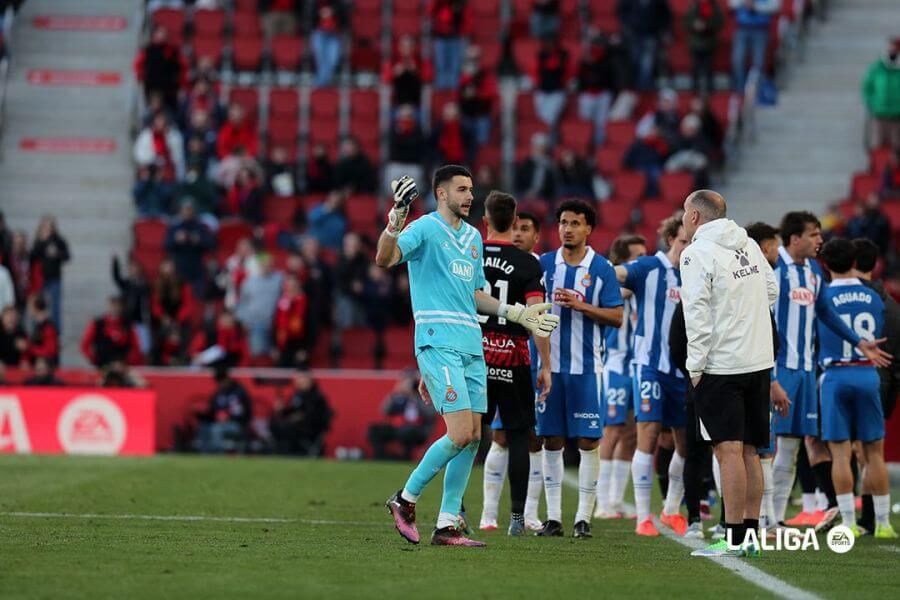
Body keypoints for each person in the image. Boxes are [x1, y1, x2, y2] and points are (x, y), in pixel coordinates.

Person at [377, 166, 559, 547]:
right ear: (441, 194)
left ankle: (447, 524)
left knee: (474, 436)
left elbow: (477, 293)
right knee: (459, 432)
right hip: (437, 338)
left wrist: (516, 313)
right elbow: (385, 258)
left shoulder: (474, 238)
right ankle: (405, 498)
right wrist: (395, 219)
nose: (469, 196)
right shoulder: (425, 228)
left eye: (471, 189)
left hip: (471, 342)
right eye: (461, 189)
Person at [769, 212, 890, 533]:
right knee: (767, 448)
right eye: (813, 234)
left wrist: (859, 342)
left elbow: (827, 312)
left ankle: (776, 519)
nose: (820, 240)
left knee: (793, 448)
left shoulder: (811, 271)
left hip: (807, 371)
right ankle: (750, 519)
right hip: (777, 369)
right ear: (795, 239)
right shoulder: (772, 268)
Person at [677, 190, 779, 557]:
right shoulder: (748, 244)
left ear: (693, 217)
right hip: (758, 360)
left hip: (722, 364)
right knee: (751, 450)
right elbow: (771, 288)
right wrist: (745, 316)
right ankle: (750, 535)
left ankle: (732, 537)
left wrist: (695, 366)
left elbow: (697, 315)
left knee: (728, 452)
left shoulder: (696, 254)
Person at [535, 200, 623, 538]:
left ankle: (583, 518)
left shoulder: (601, 268)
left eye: (575, 223)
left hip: (588, 368)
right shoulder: (544, 265)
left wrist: (581, 305)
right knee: (551, 439)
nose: (567, 229)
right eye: (563, 222)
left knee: (588, 441)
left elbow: (617, 316)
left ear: (588, 229)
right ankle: (554, 517)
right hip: (550, 369)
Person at [476, 192, 553, 536]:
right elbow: (537, 317)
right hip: (514, 354)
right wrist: (546, 364)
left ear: (486, 220)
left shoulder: (470, 254)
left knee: (467, 433)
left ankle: (458, 511)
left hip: (474, 353)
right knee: (520, 435)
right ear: (514, 219)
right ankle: (518, 518)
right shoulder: (528, 263)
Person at [613, 216, 689, 537]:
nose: (689, 248)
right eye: (685, 241)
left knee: (686, 445)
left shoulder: (698, 274)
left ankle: (671, 509)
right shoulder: (648, 267)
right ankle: (644, 517)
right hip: (649, 366)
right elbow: (618, 273)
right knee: (648, 433)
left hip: (685, 371)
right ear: (671, 237)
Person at [816, 239, 897, 539]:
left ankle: (848, 521)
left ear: (825, 263)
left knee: (840, 453)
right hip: (867, 373)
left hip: (835, 375)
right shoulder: (873, 297)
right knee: (874, 453)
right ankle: (884, 524)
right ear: (855, 261)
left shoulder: (820, 296)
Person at [595, 235, 645, 520]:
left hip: (636, 366)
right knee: (612, 431)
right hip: (614, 365)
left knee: (631, 435)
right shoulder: (615, 283)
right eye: (636, 256)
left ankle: (615, 500)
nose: (642, 261)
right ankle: (601, 501)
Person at [852, 238, 900, 534]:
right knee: (871, 451)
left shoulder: (843, 297)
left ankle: (860, 516)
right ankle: (874, 518)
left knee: (855, 452)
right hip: (883, 383)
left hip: (854, 378)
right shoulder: (891, 304)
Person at [368, 373, 435, 460]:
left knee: (408, 432)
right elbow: (384, 411)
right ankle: (380, 457)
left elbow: (430, 414)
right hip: (398, 427)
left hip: (417, 430)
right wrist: (395, 393)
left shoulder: (424, 397)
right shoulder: (398, 397)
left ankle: (405, 457)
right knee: (375, 430)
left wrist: (413, 396)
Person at [270, 370, 333, 455]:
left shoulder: (317, 396)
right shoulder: (298, 394)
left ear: (309, 380)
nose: (298, 382)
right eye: (297, 379)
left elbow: (313, 415)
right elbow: (293, 410)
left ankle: (290, 452)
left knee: (287, 427)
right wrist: (282, 410)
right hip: (297, 425)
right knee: (275, 424)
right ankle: (279, 451)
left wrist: (297, 417)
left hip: (311, 428)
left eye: (301, 379)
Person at [616, 0, 672, 91]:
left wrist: (662, 28)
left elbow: (665, 14)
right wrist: (627, 25)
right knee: (635, 60)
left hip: (651, 34)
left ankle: (643, 86)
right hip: (634, 34)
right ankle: (634, 85)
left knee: (647, 62)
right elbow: (621, 11)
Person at [235, 253, 283, 358]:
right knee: (259, 353)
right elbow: (242, 302)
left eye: (268, 264)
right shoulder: (249, 282)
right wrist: (244, 320)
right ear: (258, 265)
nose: (266, 267)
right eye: (263, 264)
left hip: (276, 324)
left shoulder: (279, 279)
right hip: (256, 323)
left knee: (277, 355)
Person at [164, 200, 216, 296]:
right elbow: (166, 245)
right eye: (185, 210)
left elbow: (212, 244)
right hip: (179, 268)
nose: (187, 212)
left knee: (199, 295)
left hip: (197, 268)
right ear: (180, 211)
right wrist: (176, 239)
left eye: (190, 210)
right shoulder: (175, 227)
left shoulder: (200, 227)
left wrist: (199, 240)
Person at [196, 367, 252, 453]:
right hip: (219, 423)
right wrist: (200, 414)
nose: (220, 384)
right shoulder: (218, 393)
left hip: (237, 424)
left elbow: (244, 412)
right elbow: (212, 412)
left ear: (226, 379)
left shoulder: (239, 391)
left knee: (216, 429)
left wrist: (228, 416)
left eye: (221, 381)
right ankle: (205, 455)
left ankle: (218, 455)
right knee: (203, 427)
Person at [729, 0, 779, 94]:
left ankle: (757, 90)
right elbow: (732, 4)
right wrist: (744, 3)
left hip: (760, 29)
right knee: (737, 60)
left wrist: (755, 6)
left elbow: (775, 6)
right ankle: (740, 91)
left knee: (758, 62)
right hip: (742, 28)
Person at [30, 216, 70, 333]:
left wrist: (57, 253)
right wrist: (43, 241)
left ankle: (55, 333)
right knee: (38, 306)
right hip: (40, 279)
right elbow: (33, 256)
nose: (49, 228)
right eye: (46, 226)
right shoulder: (38, 240)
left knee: (55, 308)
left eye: (51, 226)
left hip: (54, 278)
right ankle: (37, 332)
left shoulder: (59, 240)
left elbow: (67, 256)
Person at [133, 25, 186, 112]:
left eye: (164, 34)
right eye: (160, 33)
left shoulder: (172, 50)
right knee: (152, 110)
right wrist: (141, 77)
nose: (162, 36)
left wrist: (181, 84)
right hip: (151, 87)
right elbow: (137, 64)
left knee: (169, 111)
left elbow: (182, 66)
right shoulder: (147, 50)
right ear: (155, 35)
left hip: (169, 89)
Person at [576, 32, 617, 146]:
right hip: (587, 95)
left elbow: (610, 77)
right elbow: (580, 79)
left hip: (603, 94)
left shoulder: (607, 58)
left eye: (599, 44)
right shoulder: (584, 60)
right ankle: (586, 144)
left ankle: (599, 144)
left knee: (601, 123)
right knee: (585, 122)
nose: (597, 46)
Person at [80, 297, 141, 368]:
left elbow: (136, 347)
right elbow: (84, 345)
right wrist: (94, 359)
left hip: (122, 366)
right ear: (108, 306)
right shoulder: (97, 324)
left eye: (117, 306)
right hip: (102, 365)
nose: (115, 308)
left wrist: (128, 362)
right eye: (112, 305)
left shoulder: (128, 325)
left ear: (121, 307)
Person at [862, 38, 900, 150]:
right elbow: (867, 87)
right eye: (891, 48)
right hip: (879, 114)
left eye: (895, 49)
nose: (892, 51)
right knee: (877, 146)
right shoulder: (877, 68)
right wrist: (871, 102)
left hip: (897, 116)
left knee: (896, 147)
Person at [683, 0, 723, 94]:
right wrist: (694, 25)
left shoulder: (714, 6)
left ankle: (710, 91)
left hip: (709, 43)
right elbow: (685, 22)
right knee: (695, 67)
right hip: (695, 43)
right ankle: (694, 90)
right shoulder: (693, 6)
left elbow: (719, 22)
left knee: (708, 68)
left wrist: (706, 25)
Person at [134, 112, 185, 182]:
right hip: (150, 170)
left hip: (169, 173)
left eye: (162, 123)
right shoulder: (146, 136)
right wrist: (153, 162)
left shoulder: (174, 137)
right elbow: (139, 155)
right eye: (157, 123)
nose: (160, 126)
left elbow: (177, 158)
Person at [532, 38, 572, 128]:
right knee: (541, 118)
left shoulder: (563, 55)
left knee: (551, 118)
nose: (549, 45)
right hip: (543, 91)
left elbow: (569, 72)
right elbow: (534, 71)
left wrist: (566, 82)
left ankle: (551, 138)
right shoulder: (541, 55)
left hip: (557, 92)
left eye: (551, 42)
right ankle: (544, 138)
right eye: (547, 43)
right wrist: (536, 82)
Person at [430, 0, 469, 90]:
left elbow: (466, 19)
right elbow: (431, 11)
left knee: (455, 68)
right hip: (440, 37)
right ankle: (441, 95)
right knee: (440, 68)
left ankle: (453, 95)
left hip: (455, 38)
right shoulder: (440, 4)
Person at [274, 274, 308, 368]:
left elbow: (310, 326)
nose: (291, 289)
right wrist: (275, 346)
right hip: (283, 342)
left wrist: (305, 348)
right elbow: (275, 324)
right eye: (289, 286)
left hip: (299, 344)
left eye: (294, 286)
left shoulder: (304, 302)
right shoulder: (282, 301)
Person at [310, 0, 345, 87]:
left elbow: (344, 19)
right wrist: (319, 13)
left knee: (333, 60)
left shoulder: (338, 3)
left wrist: (333, 11)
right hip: (319, 34)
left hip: (334, 35)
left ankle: (319, 84)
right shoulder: (315, 3)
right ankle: (323, 84)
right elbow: (309, 19)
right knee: (321, 60)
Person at [514, 132, 557, 203]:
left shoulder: (550, 165)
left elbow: (552, 187)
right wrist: (526, 193)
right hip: (525, 194)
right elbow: (519, 183)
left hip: (543, 196)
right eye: (537, 147)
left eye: (541, 147)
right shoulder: (526, 164)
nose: (538, 149)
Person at [27, 296, 59, 367]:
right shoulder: (38, 325)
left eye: (30, 307)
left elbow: (50, 351)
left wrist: (30, 348)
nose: (28, 310)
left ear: (35, 308)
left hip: (47, 370)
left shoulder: (48, 327)